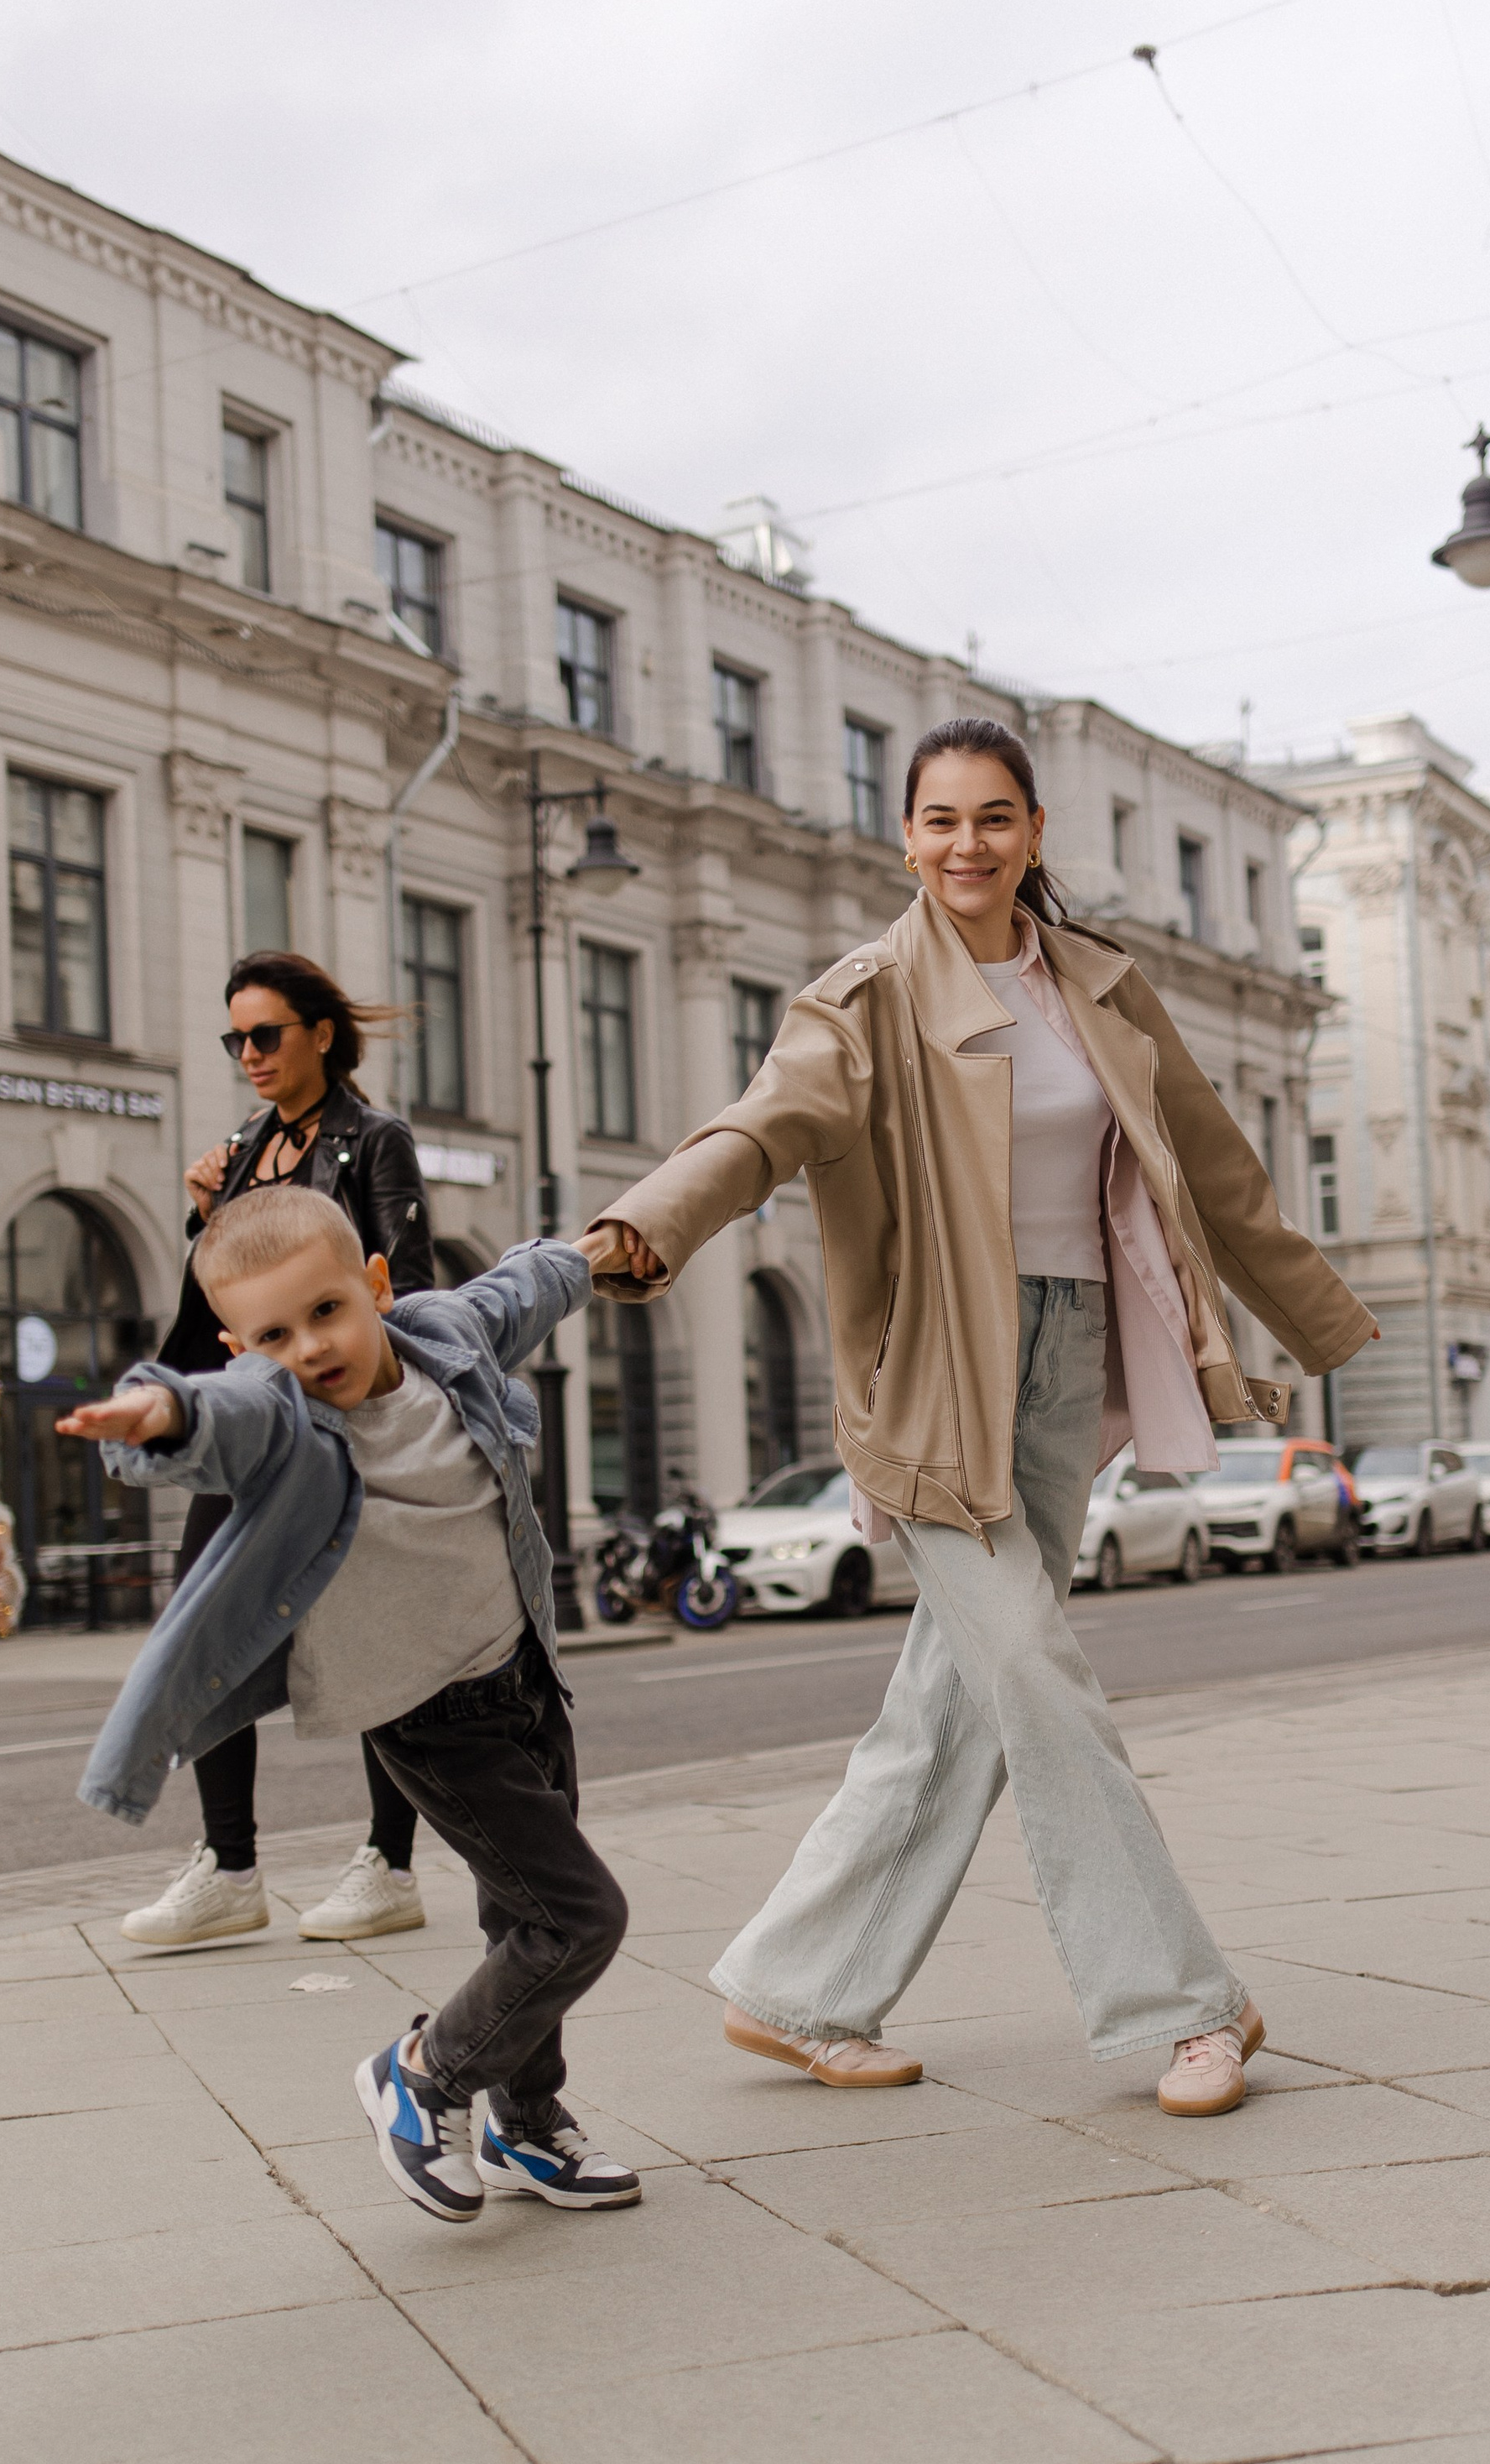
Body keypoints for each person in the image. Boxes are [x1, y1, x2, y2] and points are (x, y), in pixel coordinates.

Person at [581, 718, 1375, 2117]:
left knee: (950, 1704)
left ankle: (802, 1991)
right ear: (906, 837)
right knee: (1034, 1674)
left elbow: (1218, 1171)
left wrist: (1316, 1323)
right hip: (935, 1378)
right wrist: (647, 1227)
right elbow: (760, 1127)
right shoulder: (866, 997)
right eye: (942, 819)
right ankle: (1186, 2004)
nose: (968, 844)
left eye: (995, 817)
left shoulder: (1104, 989)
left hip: (1071, 1360)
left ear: (1034, 833)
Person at [62, 1192, 639, 2219]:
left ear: (376, 1285)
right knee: (579, 1916)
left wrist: (592, 1253)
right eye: (273, 1334)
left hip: (523, 1680)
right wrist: (164, 1412)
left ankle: (529, 2122)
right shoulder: (282, 1415)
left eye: (326, 1310)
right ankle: (423, 2075)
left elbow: (517, 1291)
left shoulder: (441, 1339)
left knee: (525, 1917)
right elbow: (219, 1416)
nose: (310, 1346)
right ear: (242, 1345)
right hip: (428, 1720)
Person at [122, 952, 438, 1950]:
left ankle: (390, 1863)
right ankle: (229, 1867)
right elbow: (223, 1290)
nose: (249, 1056)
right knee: (204, 1615)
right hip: (249, 1427)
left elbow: (411, 1287)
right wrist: (202, 1210)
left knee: (372, 1636)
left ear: (321, 1036)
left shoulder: (374, 1141)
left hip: (340, 1427)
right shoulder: (240, 1148)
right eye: (236, 1040)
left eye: (265, 1035)